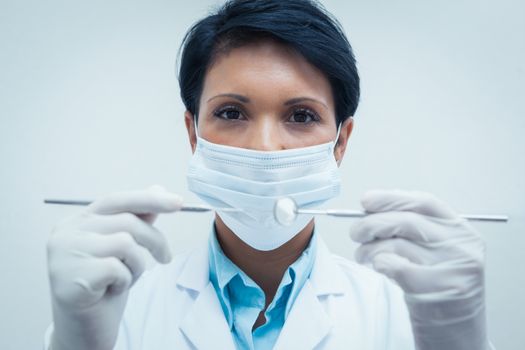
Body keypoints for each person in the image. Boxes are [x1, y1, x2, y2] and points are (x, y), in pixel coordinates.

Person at [44, 0, 492, 349]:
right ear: (193, 133)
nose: (264, 147)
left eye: (300, 116)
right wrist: (74, 345)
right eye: (232, 112)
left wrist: (459, 341)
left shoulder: (403, 311)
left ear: (341, 142)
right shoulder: (122, 308)